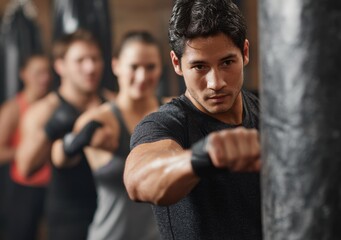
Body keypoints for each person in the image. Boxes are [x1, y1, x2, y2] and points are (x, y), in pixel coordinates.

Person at [123, 0, 262, 239]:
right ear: (177, 64)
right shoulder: (166, 123)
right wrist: (202, 156)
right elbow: (139, 179)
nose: (216, 82)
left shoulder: (265, 112)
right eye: (199, 67)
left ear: (245, 53)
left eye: (227, 62)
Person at [51, 31, 162, 240]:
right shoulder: (101, 119)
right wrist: (75, 142)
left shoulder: (171, 112)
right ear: (116, 65)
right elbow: (59, 156)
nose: (142, 76)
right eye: (134, 67)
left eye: (150, 67)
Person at [15, 29, 106, 240]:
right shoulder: (43, 111)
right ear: (60, 66)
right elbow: (25, 167)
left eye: (95, 59)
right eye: (81, 60)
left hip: (111, 211)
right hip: (68, 218)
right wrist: (51, 129)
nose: (90, 67)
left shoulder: (111, 104)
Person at [0, 54, 51, 240]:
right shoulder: (13, 109)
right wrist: (27, 150)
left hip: (54, 187)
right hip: (25, 189)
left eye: (47, 72)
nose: (45, 78)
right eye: (38, 73)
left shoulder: (54, 104)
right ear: (24, 74)